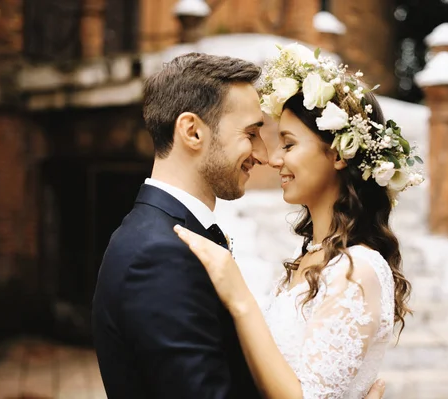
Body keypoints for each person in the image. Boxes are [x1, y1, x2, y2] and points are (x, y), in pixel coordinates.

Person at [91, 51, 388, 399]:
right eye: (251, 133)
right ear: (192, 132)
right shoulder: (158, 255)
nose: (265, 155)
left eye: (285, 142)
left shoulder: (171, 237)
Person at [173, 43, 424, 398]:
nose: (274, 158)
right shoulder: (309, 253)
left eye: (288, 144)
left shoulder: (358, 269)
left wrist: (239, 297)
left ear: (337, 153)